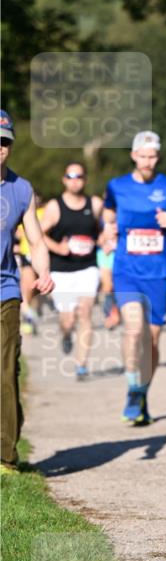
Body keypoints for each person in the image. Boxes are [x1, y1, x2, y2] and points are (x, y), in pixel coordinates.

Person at [103, 130, 166, 424]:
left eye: (153, 156)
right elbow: (107, 214)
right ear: (133, 155)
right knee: (133, 329)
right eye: (142, 155)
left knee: (152, 341)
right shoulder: (116, 186)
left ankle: (141, 394)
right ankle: (132, 385)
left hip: (158, 272)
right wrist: (108, 231)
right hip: (127, 270)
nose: (148, 161)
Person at [0, 109, 54, 472]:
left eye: (4, 142)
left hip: (5, 291)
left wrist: (44, 270)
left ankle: (5, 456)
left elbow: (35, 240)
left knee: (4, 372)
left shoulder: (21, 189)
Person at [40, 162, 103, 380]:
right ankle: (66, 334)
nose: (75, 180)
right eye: (71, 176)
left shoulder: (95, 204)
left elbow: (104, 229)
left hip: (87, 267)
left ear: (85, 180)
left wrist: (104, 238)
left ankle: (81, 365)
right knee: (67, 319)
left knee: (85, 313)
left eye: (79, 176)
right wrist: (58, 248)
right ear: (64, 180)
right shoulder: (54, 206)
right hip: (61, 269)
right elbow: (38, 234)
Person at [14, 192, 45, 335]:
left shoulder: (44, 212)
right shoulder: (22, 213)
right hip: (26, 254)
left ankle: (32, 312)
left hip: (41, 255)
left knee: (37, 291)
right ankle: (27, 316)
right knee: (28, 287)